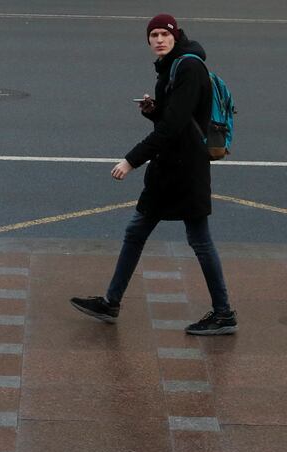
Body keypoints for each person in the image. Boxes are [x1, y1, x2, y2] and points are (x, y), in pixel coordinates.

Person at [71, 13, 236, 336]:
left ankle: (224, 313)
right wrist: (154, 110)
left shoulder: (188, 68)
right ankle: (111, 301)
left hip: (186, 171)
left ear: (176, 36)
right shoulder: (171, 67)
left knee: (199, 240)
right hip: (170, 168)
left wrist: (131, 161)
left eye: (164, 34)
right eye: (153, 35)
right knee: (138, 231)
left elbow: (175, 126)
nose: (159, 39)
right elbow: (173, 120)